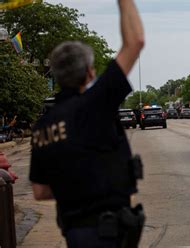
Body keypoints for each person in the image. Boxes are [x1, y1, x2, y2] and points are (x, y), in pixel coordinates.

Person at [28, 0, 145, 247]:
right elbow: (135, 42)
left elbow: (40, 191)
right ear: (90, 73)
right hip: (107, 233)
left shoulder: (42, 127)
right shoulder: (96, 103)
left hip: (75, 234)